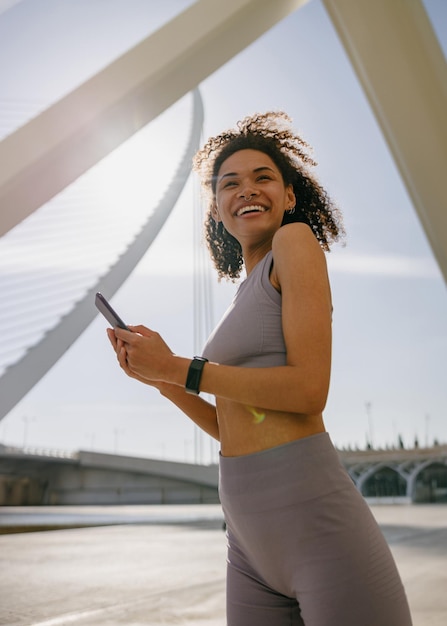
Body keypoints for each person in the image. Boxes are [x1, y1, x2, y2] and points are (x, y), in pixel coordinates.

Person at [107, 111, 413, 626]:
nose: (247, 190)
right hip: (247, 539)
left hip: (316, 523)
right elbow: (232, 424)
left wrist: (178, 368)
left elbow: (308, 390)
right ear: (218, 210)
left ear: (290, 196)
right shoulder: (238, 299)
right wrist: (159, 379)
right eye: (230, 184)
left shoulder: (294, 245)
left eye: (263, 177)